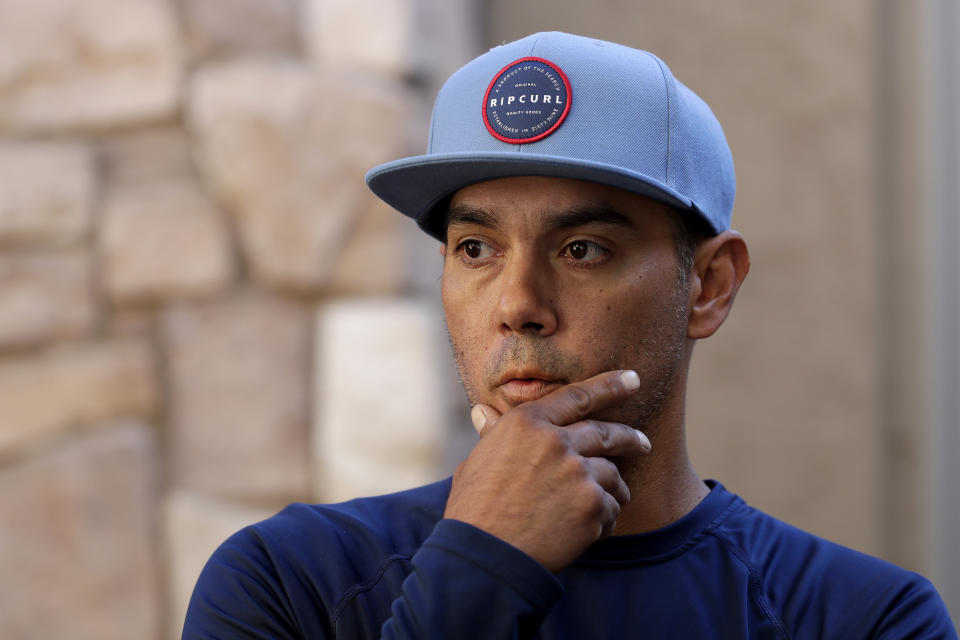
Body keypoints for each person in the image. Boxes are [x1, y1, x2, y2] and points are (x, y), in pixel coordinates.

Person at [182, 31, 957, 638]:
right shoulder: (288, 582)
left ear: (710, 286)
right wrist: (478, 575)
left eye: (582, 249)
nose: (517, 303)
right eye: (476, 249)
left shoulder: (862, 618)